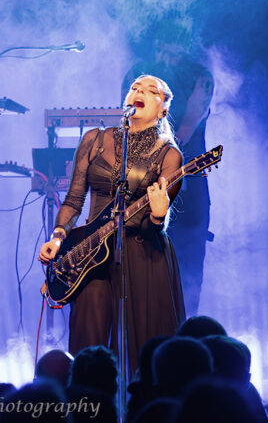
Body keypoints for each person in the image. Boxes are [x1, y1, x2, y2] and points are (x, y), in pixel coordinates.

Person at [39, 75, 185, 373]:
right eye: (134, 88)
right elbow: (74, 199)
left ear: (164, 109)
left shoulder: (169, 155)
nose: (139, 92)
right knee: (87, 341)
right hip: (92, 253)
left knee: (144, 350)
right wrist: (57, 237)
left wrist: (158, 216)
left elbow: (151, 228)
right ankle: (87, 398)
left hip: (142, 252)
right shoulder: (94, 140)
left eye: (150, 91)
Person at [121, 19, 214, 316]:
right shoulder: (138, 74)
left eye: (175, 53)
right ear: (157, 45)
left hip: (188, 183)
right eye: (164, 51)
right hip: (143, 182)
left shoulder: (200, 77)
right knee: (141, 260)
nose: (169, 59)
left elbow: (186, 128)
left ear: (185, 49)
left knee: (188, 262)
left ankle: (185, 328)